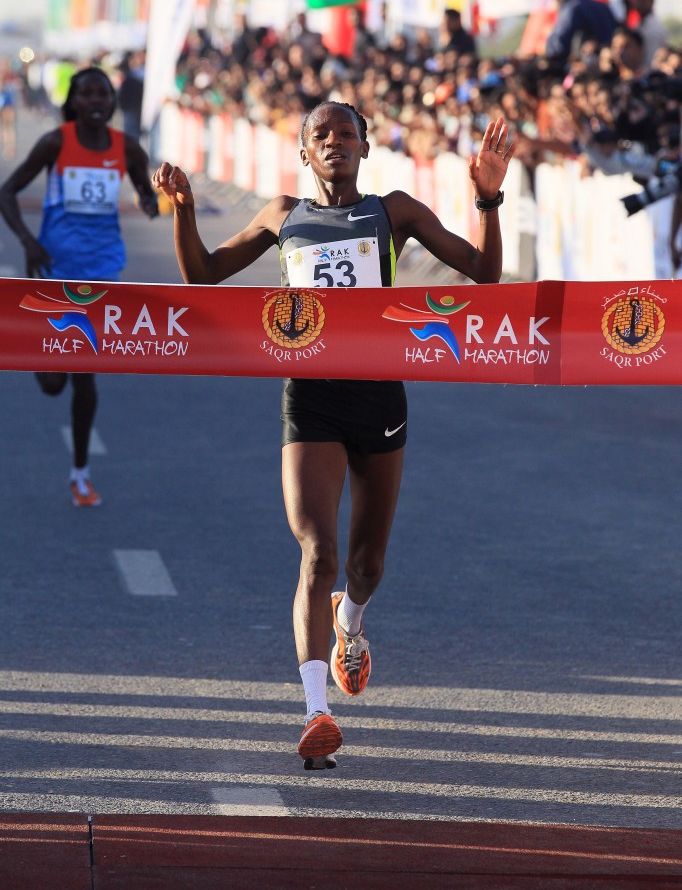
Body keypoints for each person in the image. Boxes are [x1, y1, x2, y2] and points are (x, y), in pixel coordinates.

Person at [153, 101, 515, 769]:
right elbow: (202, 276)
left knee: (365, 566)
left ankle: (351, 621)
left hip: (379, 395)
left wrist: (488, 200)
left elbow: (484, 275)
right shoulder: (282, 214)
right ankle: (316, 710)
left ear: (367, 148)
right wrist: (183, 210)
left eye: (347, 134)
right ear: (303, 151)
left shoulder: (393, 212)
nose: (335, 142)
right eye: (321, 134)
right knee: (317, 553)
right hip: (310, 399)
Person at [0, 66, 159, 506]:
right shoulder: (56, 142)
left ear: (112, 102)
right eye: (86, 95)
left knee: (85, 375)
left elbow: (146, 197)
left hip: (103, 271)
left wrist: (153, 200)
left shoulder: (127, 148)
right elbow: (6, 192)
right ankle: (42, 352)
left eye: (102, 95)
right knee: (53, 383)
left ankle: (81, 473)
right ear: (73, 102)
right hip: (56, 270)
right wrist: (29, 243)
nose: (95, 102)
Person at [544, 0, 617, 64]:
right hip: (607, 65)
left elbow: (557, 47)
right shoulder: (601, 5)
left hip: (584, 68)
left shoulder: (571, 8)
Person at [625, 0, 668, 70]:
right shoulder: (639, 24)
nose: (637, 2)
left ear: (651, 0)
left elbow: (650, 63)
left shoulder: (655, 28)